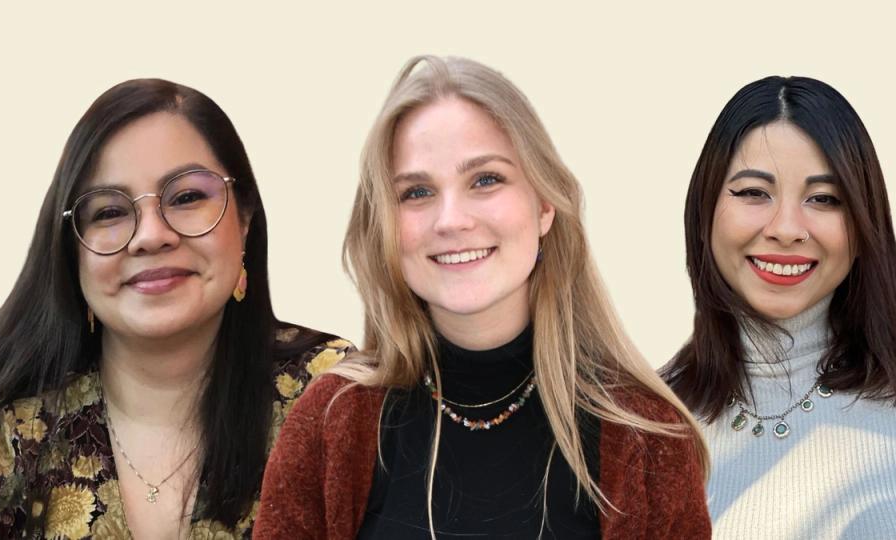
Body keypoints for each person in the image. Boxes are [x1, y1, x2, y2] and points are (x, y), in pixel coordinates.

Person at [255, 55, 710, 539]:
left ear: (543, 206)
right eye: (416, 192)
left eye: (485, 180)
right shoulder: (329, 422)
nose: (451, 220)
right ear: (385, 226)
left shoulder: (646, 437)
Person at [0, 79, 349, 538]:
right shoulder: (10, 427)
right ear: (70, 250)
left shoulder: (333, 398)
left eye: (187, 198)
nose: (151, 235)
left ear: (246, 217)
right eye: (109, 212)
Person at [661, 76, 896, 538]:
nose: (787, 228)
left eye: (824, 199)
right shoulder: (639, 420)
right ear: (705, 210)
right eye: (753, 192)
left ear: (862, 224)